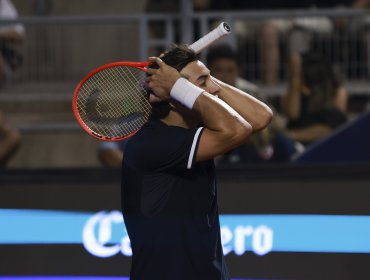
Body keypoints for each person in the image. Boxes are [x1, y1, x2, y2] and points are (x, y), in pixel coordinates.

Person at [121, 44, 272, 279]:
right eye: (203, 83)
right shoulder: (150, 143)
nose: (213, 89)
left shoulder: (195, 129)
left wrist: (197, 81)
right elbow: (237, 129)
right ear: (173, 98)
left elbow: (260, 117)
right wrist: (177, 85)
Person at [207, 44, 300, 164]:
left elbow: (274, 123)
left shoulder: (251, 92)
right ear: (209, 70)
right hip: (215, 143)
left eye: (230, 70)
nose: (225, 76)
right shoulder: (200, 92)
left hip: (247, 143)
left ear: (238, 71)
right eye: (219, 70)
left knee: (281, 142)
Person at [281, 51, 348, 146]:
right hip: (297, 145)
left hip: (326, 145)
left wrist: (292, 135)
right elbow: (293, 114)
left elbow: (332, 128)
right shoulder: (296, 90)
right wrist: (295, 76)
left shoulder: (337, 92)